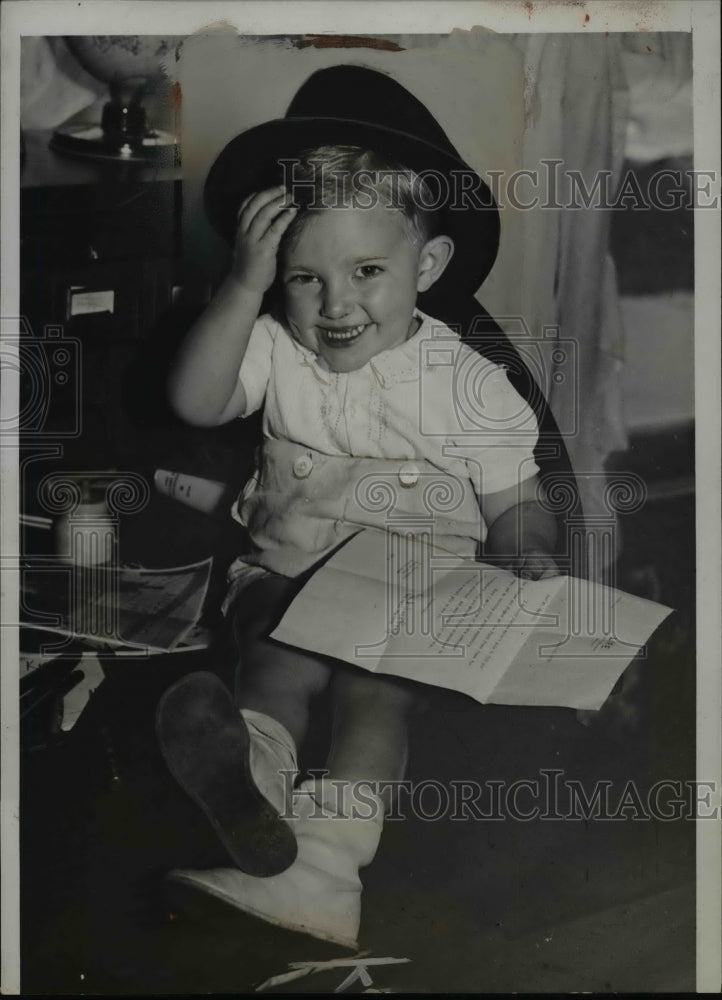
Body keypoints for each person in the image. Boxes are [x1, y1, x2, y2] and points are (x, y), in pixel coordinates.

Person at [156, 65, 562, 952]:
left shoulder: (465, 383)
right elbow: (194, 401)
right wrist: (241, 290)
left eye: (368, 271)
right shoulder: (273, 346)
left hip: (413, 594)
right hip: (288, 575)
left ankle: (328, 867)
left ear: (429, 266)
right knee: (272, 651)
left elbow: (519, 503)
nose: (336, 305)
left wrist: (527, 561)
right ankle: (250, 789)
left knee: (376, 689)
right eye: (304, 277)